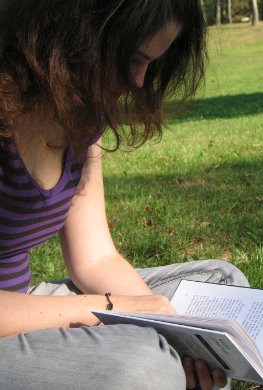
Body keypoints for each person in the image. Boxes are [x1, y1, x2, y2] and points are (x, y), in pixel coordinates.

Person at [0, 1, 249, 389]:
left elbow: (95, 257)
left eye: (151, 62)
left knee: (223, 286)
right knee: (143, 366)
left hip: (26, 304)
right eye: (133, 58)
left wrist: (170, 327)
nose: (138, 80)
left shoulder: (82, 111)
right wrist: (111, 309)